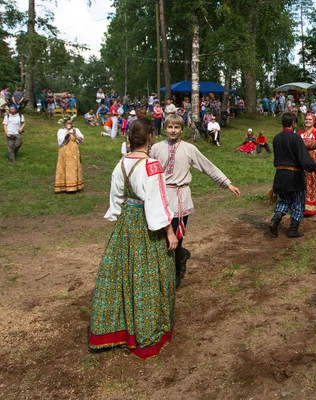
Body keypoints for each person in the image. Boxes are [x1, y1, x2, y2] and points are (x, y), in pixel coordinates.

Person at [89, 118, 178, 359]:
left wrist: (121, 222)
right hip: (146, 223)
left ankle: (118, 329)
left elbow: (116, 200)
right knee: (148, 275)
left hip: (125, 223)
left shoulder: (121, 164)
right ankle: (146, 332)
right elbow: (157, 203)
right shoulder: (152, 166)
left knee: (123, 272)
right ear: (150, 138)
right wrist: (170, 232)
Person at [150, 114, 240, 288]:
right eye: (170, 127)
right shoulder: (155, 149)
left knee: (176, 237)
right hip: (160, 197)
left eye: (176, 127)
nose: (173, 130)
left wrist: (226, 183)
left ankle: (178, 269)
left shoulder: (189, 149)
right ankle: (173, 262)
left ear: (182, 130)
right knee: (160, 236)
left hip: (181, 197)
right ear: (165, 128)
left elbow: (207, 166)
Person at [268, 112, 316, 238]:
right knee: (299, 202)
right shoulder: (296, 138)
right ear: (293, 123)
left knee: (284, 200)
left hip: (280, 176)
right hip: (294, 177)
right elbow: (303, 157)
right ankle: (293, 230)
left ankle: (275, 220)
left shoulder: (276, 138)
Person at [55, 117, 85, 193]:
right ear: (64, 124)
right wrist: (67, 132)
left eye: (70, 123)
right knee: (65, 167)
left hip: (74, 152)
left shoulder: (76, 130)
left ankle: (74, 186)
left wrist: (75, 133)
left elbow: (80, 140)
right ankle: (63, 186)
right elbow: (62, 141)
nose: (69, 125)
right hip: (64, 152)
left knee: (73, 167)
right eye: (67, 123)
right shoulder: (61, 131)